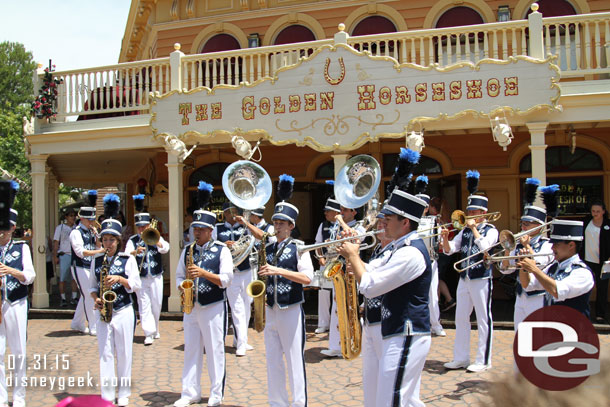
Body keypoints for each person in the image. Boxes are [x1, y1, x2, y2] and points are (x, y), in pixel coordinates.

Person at [337, 186, 432, 407]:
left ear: (405, 222)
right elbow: (371, 269)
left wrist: (353, 254)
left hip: (406, 331)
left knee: (392, 400)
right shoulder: (399, 248)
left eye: (388, 219)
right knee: (396, 399)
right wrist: (354, 254)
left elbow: (370, 286)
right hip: (394, 330)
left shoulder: (410, 252)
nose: (383, 223)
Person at [174, 181, 233, 407]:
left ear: (210, 230)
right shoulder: (187, 251)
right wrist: (182, 287)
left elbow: (226, 279)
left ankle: (216, 394)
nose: (196, 232)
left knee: (215, 350)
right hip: (192, 307)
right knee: (191, 350)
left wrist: (203, 273)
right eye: (194, 228)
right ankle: (189, 393)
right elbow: (179, 276)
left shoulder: (222, 250)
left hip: (213, 306)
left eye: (200, 229)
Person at [258, 174, 313, 407]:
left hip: (291, 308)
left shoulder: (300, 248)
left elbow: (307, 278)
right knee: (272, 359)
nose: (276, 226)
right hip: (270, 307)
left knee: (293, 358)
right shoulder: (267, 247)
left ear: (291, 226)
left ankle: (299, 403)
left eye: (281, 223)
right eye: (275, 222)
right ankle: (277, 402)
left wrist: (278, 270)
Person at [441, 170, 498, 373]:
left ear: (483, 212)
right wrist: (445, 238)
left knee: (483, 319)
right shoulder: (464, 230)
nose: (470, 215)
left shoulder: (491, 229)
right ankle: (461, 357)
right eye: (469, 212)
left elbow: (485, 247)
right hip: (464, 278)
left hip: (481, 277)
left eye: (474, 212)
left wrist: (474, 229)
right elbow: (450, 251)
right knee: (461, 318)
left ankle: (484, 360)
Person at [89, 194, 140, 407]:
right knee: (105, 353)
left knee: (124, 352)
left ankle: (124, 393)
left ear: (119, 241)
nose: (107, 243)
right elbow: (92, 286)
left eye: (111, 239)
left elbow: (136, 285)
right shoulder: (97, 260)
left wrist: (120, 279)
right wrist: (96, 299)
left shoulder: (128, 259)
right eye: (105, 239)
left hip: (124, 310)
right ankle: (107, 394)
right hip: (104, 312)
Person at [499, 179, 553, 330]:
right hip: (521, 295)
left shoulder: (547, 245)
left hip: (538, 297)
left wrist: (526, 246)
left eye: (527, 224)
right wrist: (508, 248)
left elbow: (537, 265)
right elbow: (506, 269)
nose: (523, 227)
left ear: (539, 226)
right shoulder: (518, 242)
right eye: (522, 223)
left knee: (537, 338)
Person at [0, 183, 36, 407]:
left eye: (5, 228)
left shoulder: (22, 248)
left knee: (18, 351)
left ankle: (19, 397)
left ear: (13, 228)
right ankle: (1, 398)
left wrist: (12, 271)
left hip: (16, 303)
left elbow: (30, 276)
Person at [519, 219, 594, 317]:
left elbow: (557, 291)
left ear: (571, 245)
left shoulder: (582, 272)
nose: (552, 248)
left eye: (557, 244)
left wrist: (534, 269)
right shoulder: (554, 267)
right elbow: (527, 284)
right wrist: (524, 267)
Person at [321, 203, 365, 358]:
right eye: (341, 210)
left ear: (354, 212)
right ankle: (335, 345)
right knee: (337, 307)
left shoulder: (360, 226)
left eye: (346, 210)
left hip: (353, 271)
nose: (342, 213)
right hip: (338, 269)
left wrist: (340, 221)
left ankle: (355, 343)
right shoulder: (336, 227)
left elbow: (356, 237)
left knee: (351, 308)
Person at [125, 195, 170, 345]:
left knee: (156, 304)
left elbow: (166, 249)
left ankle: (155, 328)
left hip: (156, 275)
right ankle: (148, 333)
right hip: (141, 277)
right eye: (139, 226)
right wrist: (135, 252)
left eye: (144, 226)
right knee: (144, 305)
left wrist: (156, 240)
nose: (141, 229)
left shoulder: (155, 236)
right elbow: (126, 255)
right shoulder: (132, 240)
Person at [360, 212, 393, 407]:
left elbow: (372, 273)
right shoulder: (377, 250)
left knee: (386, 375)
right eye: (379, 223)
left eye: (384, 223)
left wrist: (353, 256)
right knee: (370, 374)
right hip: (371, 319)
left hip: (385, 319)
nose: (380, 227)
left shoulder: (393, 252)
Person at [212, 201, 252, 356]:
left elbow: (251, 244)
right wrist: (224, 245)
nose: (234, 214)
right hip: (231, 273)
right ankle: (241, 344)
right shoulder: (217, 228)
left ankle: (240, 338)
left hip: (246, 270)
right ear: (225, 213)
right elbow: (213, 246)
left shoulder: (245, 227)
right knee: (236, 308)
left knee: (247, 305)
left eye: (236, 211)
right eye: (231, 211)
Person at [70, 191, 105, 335]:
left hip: (90, 265)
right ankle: (93, 326)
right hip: (79, 265)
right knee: (90, 295)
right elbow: (80, 252)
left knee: (85, 294)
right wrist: (100, 252)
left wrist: (97, 237)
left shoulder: (91, 231)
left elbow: (97, 246)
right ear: (82, 219)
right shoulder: (75, 232)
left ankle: (77, 323)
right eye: (89, 220)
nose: (92, 222)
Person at [415, 175, 446, 337]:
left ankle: (435, 324)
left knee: (432, 294)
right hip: (413, 260)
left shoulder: (433, 222)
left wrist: (442, 239)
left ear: (427, 208)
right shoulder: (409, 222)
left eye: (423, 206)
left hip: (430, 260)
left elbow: (439, 242)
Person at [312, 197, 340, 334]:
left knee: (337, 292)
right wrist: (320, 257)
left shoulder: (343, 225)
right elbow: (317, 243)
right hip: (326, 262)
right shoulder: (323, 225)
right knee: (323, 293)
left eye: (328, 211)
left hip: (338, 264)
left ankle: (338, 322)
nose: (325, 213)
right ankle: (323, 323)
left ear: (336, 212)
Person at [580, 199, 610, 323]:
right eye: (593, 211)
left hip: (604, 262)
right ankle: (582, 313)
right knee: (584, 287)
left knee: (602, 288)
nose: (595, 213)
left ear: (603, 211)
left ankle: (600, 314)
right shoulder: (586, 222)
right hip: (587, 261)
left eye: (598, 211)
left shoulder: (608, 224)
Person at [53, 208, 78, 306]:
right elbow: (56, 242)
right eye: (71, 215)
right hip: (64, 255)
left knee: (74, 278)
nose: (73, 217)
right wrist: (55, 256)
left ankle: (74, 297)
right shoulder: (60, 227)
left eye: (74, 216)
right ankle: (63, 299)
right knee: (62, 278)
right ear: (66, 217)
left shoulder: (76, 228)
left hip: (74, 255)